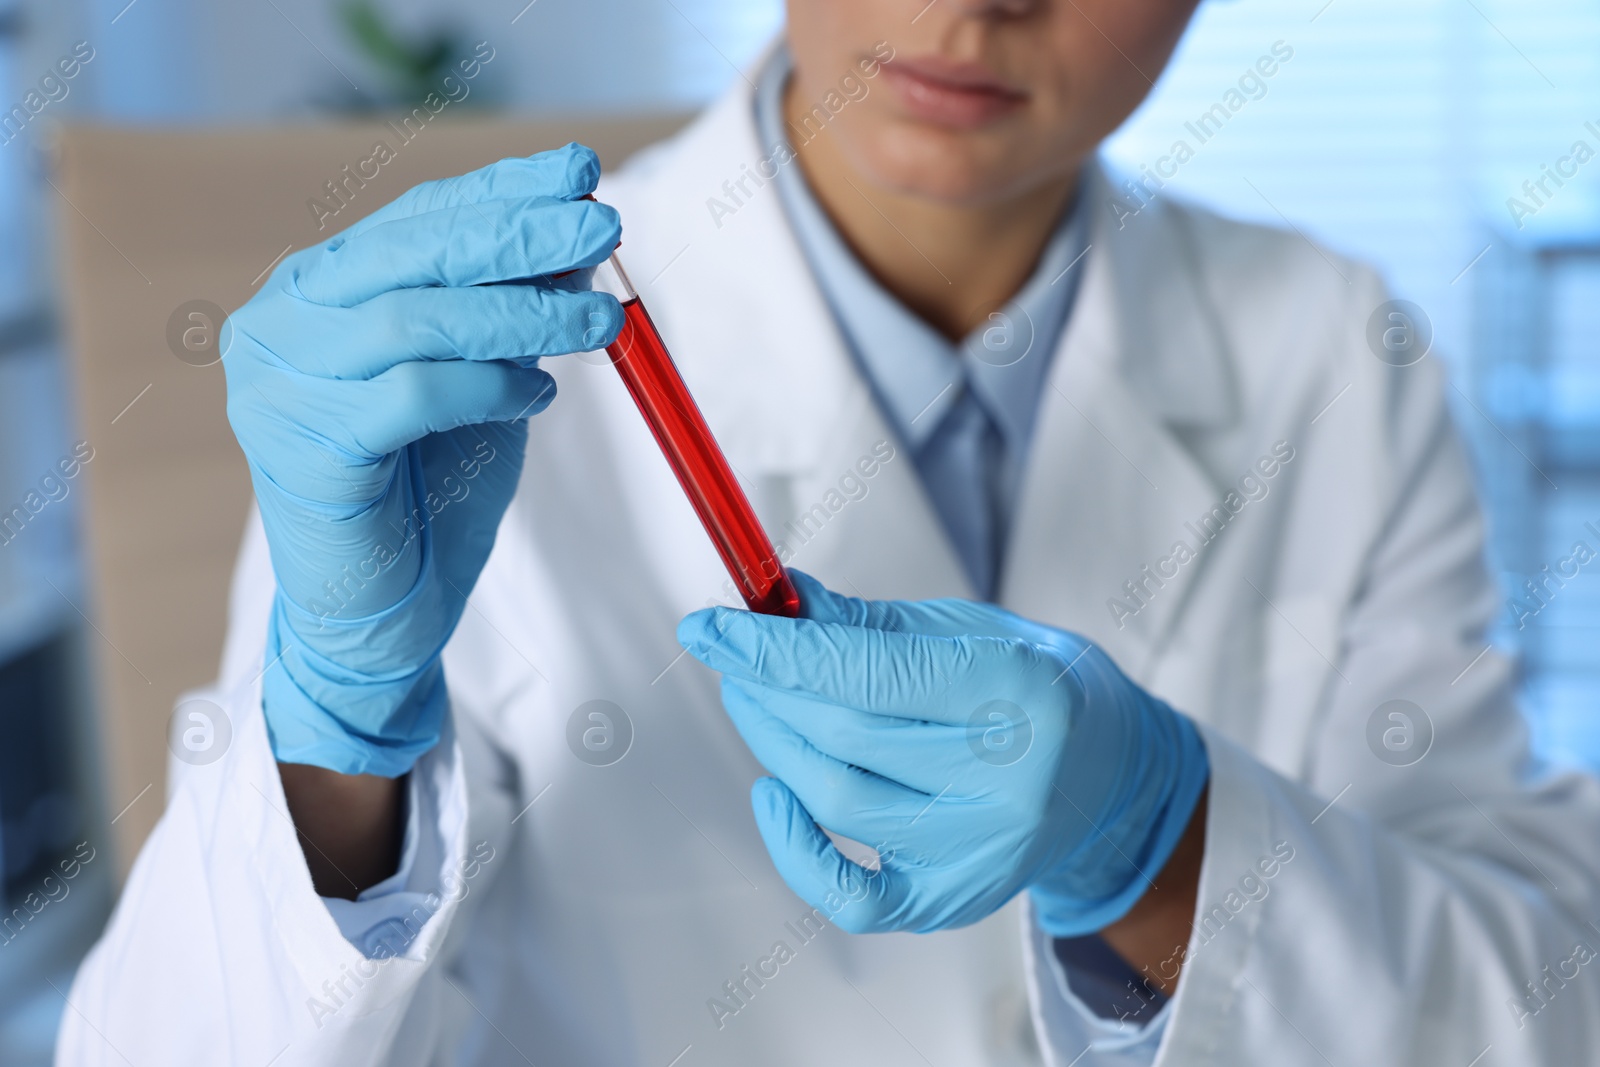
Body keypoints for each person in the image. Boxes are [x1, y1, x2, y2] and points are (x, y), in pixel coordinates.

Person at [59, 1, 1600, 1064]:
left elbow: (1535, 1010)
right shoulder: (462, 374)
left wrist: (1164, 846)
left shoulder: (1337, 354)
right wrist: (337, 738)